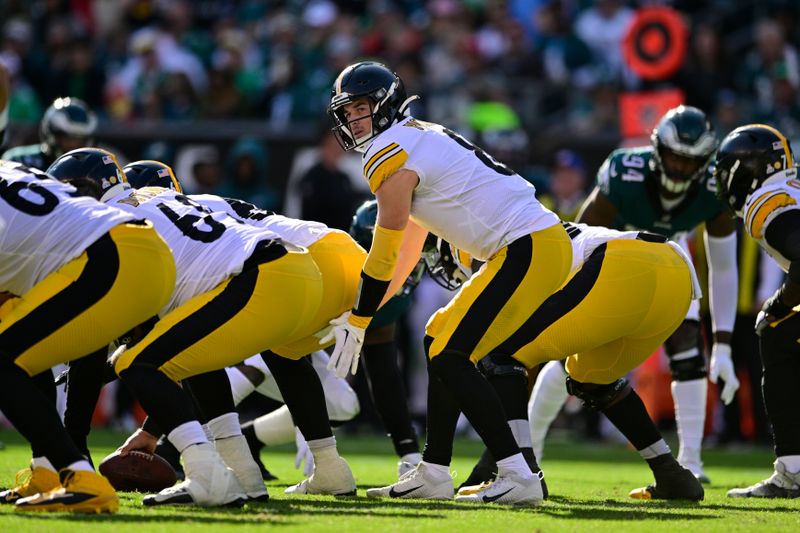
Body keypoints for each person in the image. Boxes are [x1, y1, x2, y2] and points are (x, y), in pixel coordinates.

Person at [323, 60, 573, 506]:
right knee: (439, 338)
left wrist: (359, 316)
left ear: (384, 104)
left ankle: (517, 473)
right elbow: (409, 247)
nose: (352, 119)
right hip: (534, 244)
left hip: (526, 246)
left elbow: (384, 250)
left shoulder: (391, 148)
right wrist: (368, 314)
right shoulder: (418, 136)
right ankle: (435, 471)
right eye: (347, 111)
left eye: (360, 107)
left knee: (451, 353)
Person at [47, 148, 332, 507]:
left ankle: (206, 474)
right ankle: (244, 476)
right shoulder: (154, 197)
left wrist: (74, 439)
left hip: (260, 275)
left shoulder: (109, 222)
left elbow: (99, 342)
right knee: (194, 361)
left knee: (136, 364)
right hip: (298, 270)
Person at [530, 105, 739, 482]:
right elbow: (581, 237)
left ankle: (691, 460)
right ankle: (532, 446)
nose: (680, 169)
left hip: (670, 271)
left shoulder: (714, 188)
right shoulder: (625, 173)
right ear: (658, 150)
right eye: (674, 158)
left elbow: (724, 266)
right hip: (614, 268)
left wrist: (723, 343)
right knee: (570, 358)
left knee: (689, 351)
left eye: (691, 162)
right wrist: (566, 297)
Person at [0, 160, 175, 513]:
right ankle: (48, 472)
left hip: (105, 254)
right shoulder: (11, 168)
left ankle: (81, 476)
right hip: (144, 249)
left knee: (4, 360)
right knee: (23, 352)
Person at [714, 124, 800, 498]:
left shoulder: (766, 201)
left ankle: (793, 470)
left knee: (775, 328)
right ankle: (793, 468)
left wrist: (780, 302)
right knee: (778, 335)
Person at [1, 96, 97, 170]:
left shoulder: (94, 167)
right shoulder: (19, 160)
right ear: (52, 135)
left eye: (80, 140)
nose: (74, 145)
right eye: (69, 139)